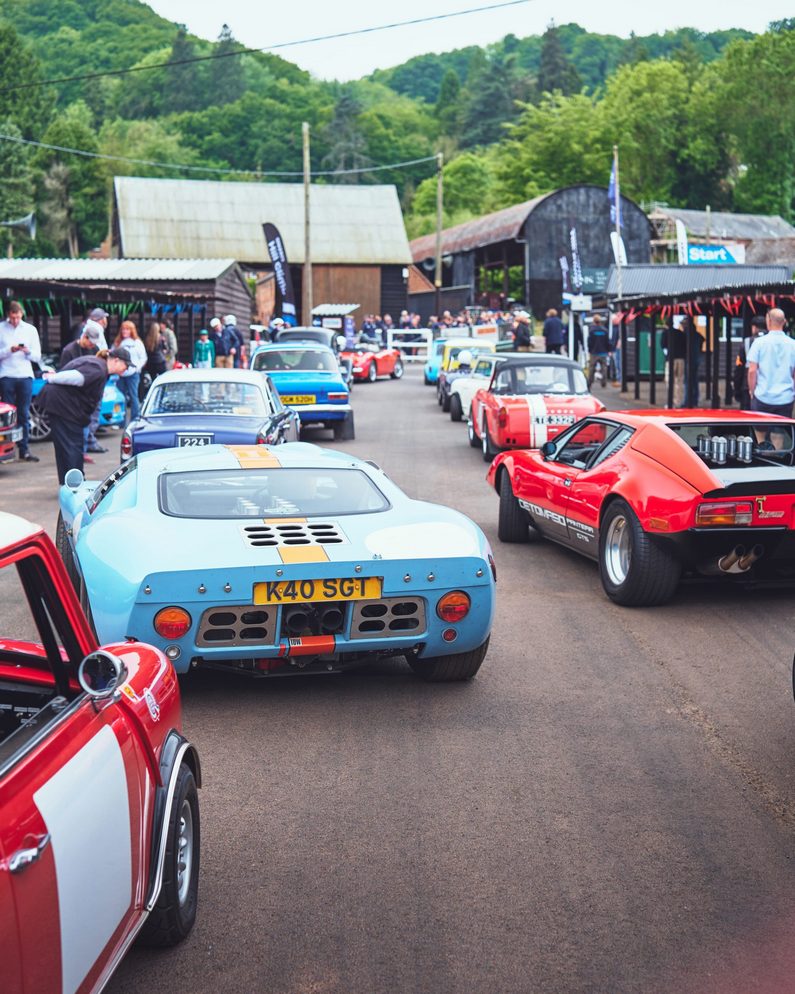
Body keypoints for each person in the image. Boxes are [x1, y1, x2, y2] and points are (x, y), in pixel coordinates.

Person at [38, 348, 131, 483]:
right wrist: (51, 378)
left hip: (65, 408)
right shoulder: (98, 368)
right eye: (126, 365)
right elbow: (76, 377)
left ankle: (70, 482)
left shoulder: (99, 366)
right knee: (71, 446)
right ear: (116, 360)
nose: (126, 369)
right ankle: (75, 484)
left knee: (69, 446)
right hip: (63, 407)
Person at [0, 300, 42, 462]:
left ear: (22, 314)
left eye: (18, 317)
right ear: (8, 315)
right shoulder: (1, 329)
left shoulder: (30, 330)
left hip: (25, 375)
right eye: (12, 318)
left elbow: (37, 356)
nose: (15, 321)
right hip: (6, 375)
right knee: (7, 416)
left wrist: (26, 351)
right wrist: (9, 350)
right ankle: (7, 451)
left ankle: (24, 449)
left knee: (24, 413)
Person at [747, 308, 795, 417]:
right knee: (782, 431)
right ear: (784, 322)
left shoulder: (759, 343)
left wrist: (752, 390)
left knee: (760, 432)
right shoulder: (793, 344)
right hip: (785, 397)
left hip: (763, 396)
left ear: (768, 321)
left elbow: (752, 370)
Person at [113, 321, 147, 423]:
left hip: (133, 373)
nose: (124, 331)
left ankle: (134, 420)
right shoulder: (118, 342)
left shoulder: (137, 343)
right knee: (120, 397)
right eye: (123, 329)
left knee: (133, 396)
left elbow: (143, 357)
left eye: (127, 329)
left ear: (132, 330)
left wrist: (137, 368)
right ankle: (120, 421)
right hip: (120, 374)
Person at [733, 315, 766, 410]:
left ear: (754, 327)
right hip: (768, 387)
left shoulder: (747, 342)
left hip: (747, 387)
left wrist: (736, 388)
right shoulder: (772, 342)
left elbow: (739, 367)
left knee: (747, 418)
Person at [662, 319, 687, 407]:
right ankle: (678, 402)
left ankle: (670, 402)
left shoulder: (665, 333)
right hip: (681, 359)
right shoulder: (680, 333)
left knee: (669, 381)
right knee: (679, 381)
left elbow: (663, 346)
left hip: (670, 359)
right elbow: (685, 346)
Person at [683, 316, 705, 408]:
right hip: (696, 359)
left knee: (688, 381)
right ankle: (694, 400)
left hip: (689, 359)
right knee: (694, 380)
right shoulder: (697, 334)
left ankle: (688, 401)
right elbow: (702, 339)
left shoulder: (686, 334)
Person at [587, 315, 611, 386]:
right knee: (604, 368)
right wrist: (608, 350)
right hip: (603, 352)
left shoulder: (591, 331)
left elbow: (589, 342)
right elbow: (608, 342)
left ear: (594, 321)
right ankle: (604, 383)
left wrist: (589, 350)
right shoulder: (605, 330)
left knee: (592, 368)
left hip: (594, 352)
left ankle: (590, 382)